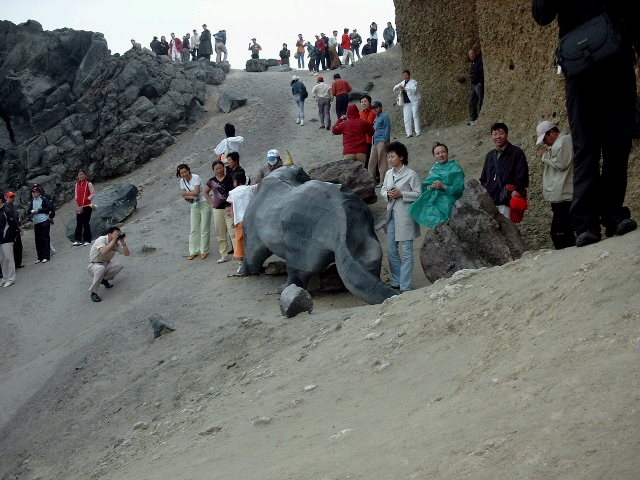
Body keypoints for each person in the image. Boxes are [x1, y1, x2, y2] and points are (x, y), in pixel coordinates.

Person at [532, 1, 639, 247]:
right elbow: (541, 14)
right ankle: (585, 224)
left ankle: (613, 215)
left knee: (618, 144)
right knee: (586, 147)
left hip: (616, 60)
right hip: (581, 69)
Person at [380, 141, 422, 292]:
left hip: (406, 216)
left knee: (407, 251)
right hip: (391, 214)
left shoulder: (411, 175)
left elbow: (418, 194)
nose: (390, 159)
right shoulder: (388, 174)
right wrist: (388, 195)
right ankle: (397, 280)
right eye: (389, 157)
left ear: (401, 157)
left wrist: (402, 194)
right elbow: (383, 190)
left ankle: (405, 285)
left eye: (392, 156)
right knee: (391, 249)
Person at [536, 120, 575, 249]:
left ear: (552, 132)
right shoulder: (559, 143)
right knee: (563, 230)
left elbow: (561, 163)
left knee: (559, 232)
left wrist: (545, 156)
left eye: (544, 138)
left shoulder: (564, 141)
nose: (544, 142)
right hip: (560, 195)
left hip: (564, 195)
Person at [408, 142, 466, 228]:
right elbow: (424, 187)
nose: (441, 155)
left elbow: (459, 189)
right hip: (434, 205)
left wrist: (444, 187)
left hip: (450, 204)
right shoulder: (434, 169)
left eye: (443, 152)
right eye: (437, 153)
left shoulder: (455, 168)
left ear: (447, 153)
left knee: (453, 228)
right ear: (434, 156)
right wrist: (431, 186)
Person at [479, 122, 529, 220]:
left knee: (507, 231)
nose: (498, 136)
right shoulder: (490, 155)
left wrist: (517, 189)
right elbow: (484, 177)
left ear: (507, 134)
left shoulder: (516, 152)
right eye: (495, 134)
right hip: (491, 201)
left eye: (501, 133)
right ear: (491, 136)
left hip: (506, 200)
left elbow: (522, 174)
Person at [87, 226, 130, 302]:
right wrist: (113, 241)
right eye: (116, 234)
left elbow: (127, 254)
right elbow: (103, 251)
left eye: (119, 234)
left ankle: (104, 280)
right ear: (110, 234)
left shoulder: (115, 244)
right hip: (94, 265)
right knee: (101, 269)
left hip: (106, 263)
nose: (117, 235)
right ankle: (93, 292)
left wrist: (123, 242)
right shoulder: (101, 239)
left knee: (118, 265)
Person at [177, 163, 211, 260]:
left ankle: (204, 250)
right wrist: (192, 196)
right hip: (194, 205)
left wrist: (188, 194)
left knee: (204, 228)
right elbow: (183, 194)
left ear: (189, 170)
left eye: (185, 172)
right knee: (194, 228)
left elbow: (196, 192)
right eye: (182, 173)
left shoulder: (196, 178)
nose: (184, 174)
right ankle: (193, 251)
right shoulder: (182, 181)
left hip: (204, 203)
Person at [204, 160, 235, 263]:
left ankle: (238, 253)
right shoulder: (211, 181)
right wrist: (212, 202)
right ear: (213, 170)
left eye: (220, 168)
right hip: (217, 209)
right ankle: (224, 255)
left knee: (233, 232)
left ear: (223, 168)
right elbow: (205, 192)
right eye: (216, 169)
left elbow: (235, 189)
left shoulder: (230, 178)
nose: (219, 170)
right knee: (220, 233)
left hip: (229, 208)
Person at [227, 171, 256, 274]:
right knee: (251, 239)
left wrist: (232, 220)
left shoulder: (232, 193)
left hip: (239, 220)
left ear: (235, 181)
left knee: (239, 240)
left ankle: (241, 264)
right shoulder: (250, 189)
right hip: (251, 219)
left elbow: (232, 208)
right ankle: (254, 262)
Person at [28, 184, 53, 264]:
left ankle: (46, 256)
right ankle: (40, 256)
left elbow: (49, 208)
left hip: (44, 220)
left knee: (45, 238)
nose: (33, 193)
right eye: (33, 192)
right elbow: (29, 210)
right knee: (38, 239)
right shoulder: (32, 201)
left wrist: (38, 211)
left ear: (39, 192)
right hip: (37, 222)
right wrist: (31, 211)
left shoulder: (43, 199)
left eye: (35, 192)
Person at [368, 101, 391, 186]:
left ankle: (383, 180)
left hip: (381, 141)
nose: (374, 109)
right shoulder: (377, 117)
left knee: (382, 161)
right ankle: (371, 180)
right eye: (373, 108)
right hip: (375, 141)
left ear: (380, 107)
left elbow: (387, 128)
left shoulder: (384, 116)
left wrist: (385, 140)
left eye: (376, 107)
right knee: (372, 161)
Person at [393, 70, 422, 138]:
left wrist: (405, 88)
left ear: (409, 75)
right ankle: (409, 133)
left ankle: (418, 131)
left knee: (415, 115)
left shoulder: (413, 82)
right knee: (406, 117)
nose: (405, 76)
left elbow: (414, 89)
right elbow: (394, 88)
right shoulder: (403, 82)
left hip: (414, 101)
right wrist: (397, 88)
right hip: (406, 103)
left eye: (406, 75)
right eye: (404, 75)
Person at [73, 170, 96, 246]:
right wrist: (77, 199)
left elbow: (93, 194)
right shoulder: (77, 184)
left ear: (85, 175)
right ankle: (77, 239)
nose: (81, 176)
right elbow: (76, 194)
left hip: (87, 206)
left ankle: (87, 239)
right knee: (79, 223)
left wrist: (87, 199)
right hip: (79, 206)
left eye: (82, 174)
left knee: (86, 223)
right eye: (79, 175)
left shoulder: (88, 184)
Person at [0, 193, 17, 288]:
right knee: (2, 259)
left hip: (7, 238)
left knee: (9, 258)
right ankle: (5, 277)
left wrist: (14, 236)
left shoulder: (6, 211)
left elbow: (13, 224)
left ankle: (11, 278)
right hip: (0, 239)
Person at [4, 191, 23, 269]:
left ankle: (18, 264)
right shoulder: (5, 207)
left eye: (13, 197)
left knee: (19, 246)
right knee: (12, 248)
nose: (12, 198)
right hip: (10, 229)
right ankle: (14, 265)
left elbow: (17, 216)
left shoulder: (15, 206)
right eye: (10, 197)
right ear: (6, 198)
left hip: (16, 228)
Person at [467, 49, 484, 126]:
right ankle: (473, 119)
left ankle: (482, 118)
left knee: (481, 100)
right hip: (475, 84)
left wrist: (481, 81)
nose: (472, 55)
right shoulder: (473, 63)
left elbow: (482, 72)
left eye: (473, 53)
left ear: (476, 53)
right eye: (470, 54)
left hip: (479, 84)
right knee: (472, 101)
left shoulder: (479, 61)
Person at [359, 95, 377, 165]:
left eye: (365, 101)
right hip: (363, 140)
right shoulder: (360, 113)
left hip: (372, 139)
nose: (363, 103)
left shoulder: (374, 112)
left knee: (373, 157)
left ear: (369, 102)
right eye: (362, 102)